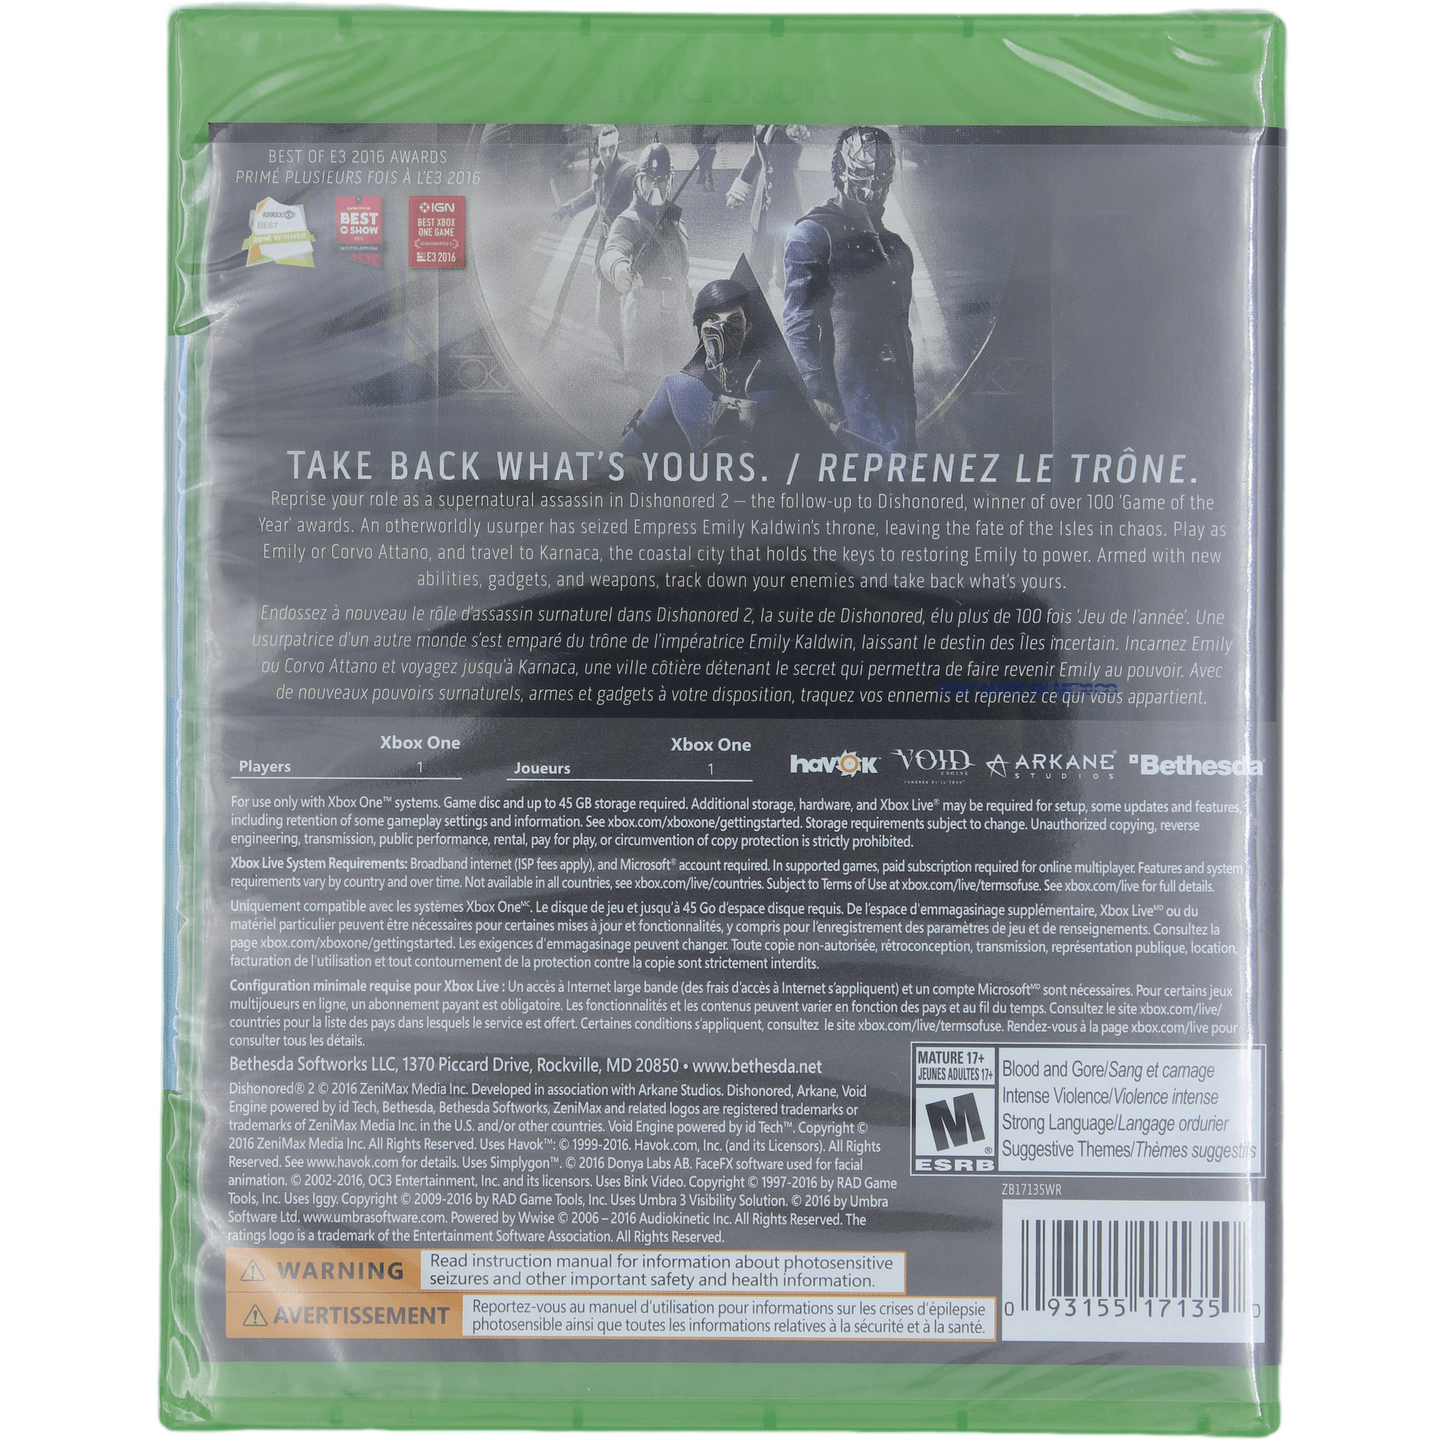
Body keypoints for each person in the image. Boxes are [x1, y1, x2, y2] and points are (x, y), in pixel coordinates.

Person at [781, 126, 916, 454]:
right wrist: (816, 395)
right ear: (841, 171)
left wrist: (906, 397)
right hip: (845, 398)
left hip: (895, 396)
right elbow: (798, 325)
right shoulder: (814, 233)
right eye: (863, 174)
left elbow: (902, 330)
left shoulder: (896, 247)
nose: (874, 187)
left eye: (882, 176)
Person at [621, 274, 824, 457]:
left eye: (734, 320)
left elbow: (821, 453)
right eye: (712, 319)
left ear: (747, 327)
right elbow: (623, 455)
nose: (722, 330)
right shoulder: (675, 388)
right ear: (700, 327)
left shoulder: (780, 388)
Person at [599, 144, 692, 391]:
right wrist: (618, 269)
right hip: (645, 327)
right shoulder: (628, 220)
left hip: (678, 325)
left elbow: (683, 274)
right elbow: (612, 251)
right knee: (650, 398)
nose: (656, 187)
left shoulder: (675, 222)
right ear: (639, 182)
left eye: (662, 180)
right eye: (649, 180)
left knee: (681, 394)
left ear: (671, 180)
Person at [552, 126, 637, 360]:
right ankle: (627, 361)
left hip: (628, 252)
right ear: (597, 148)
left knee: (634, 316)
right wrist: (570, 207)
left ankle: (632, 366)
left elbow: (644, 209)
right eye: (603, 149)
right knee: (607, 320)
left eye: (612, 148)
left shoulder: (630, 173)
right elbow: (593, 194)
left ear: (618, 146)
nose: (607, 154)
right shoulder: (600, 172)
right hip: (606, 251)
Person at [725, 125, 809, 291]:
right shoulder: (761, 126)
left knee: (788, 274)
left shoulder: (791, 125)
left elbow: (795, 147)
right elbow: (756, 158)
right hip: (763, 205)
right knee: (757, 272)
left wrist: (796, 131)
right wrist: (738, 192)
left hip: (787, 205)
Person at [690, 125, 717, 192]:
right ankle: (706, 182)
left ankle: (704, 181)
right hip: (704, 141)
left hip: (704, 142)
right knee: (707, 163)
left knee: (705, 163)